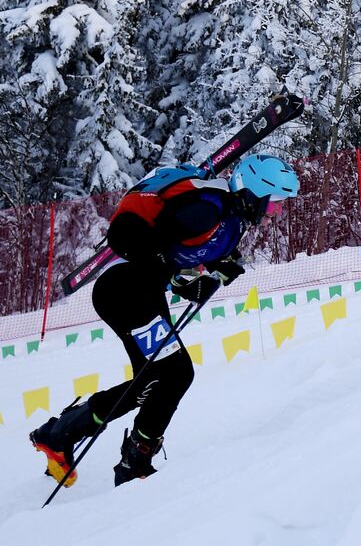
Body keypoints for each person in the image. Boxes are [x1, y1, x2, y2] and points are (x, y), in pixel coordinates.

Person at [31, 153, 300, 486]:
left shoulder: (229, 222)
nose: (276, 213)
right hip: (126, 292)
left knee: (155, 380)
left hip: (139, 294)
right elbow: (136, 239)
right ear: (255, 192)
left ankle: (63, 435)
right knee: (175, 373)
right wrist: (183, 277)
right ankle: (132, 463)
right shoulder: (209, 208)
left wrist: (200, 277)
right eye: (275, 205)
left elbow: (169, 258)